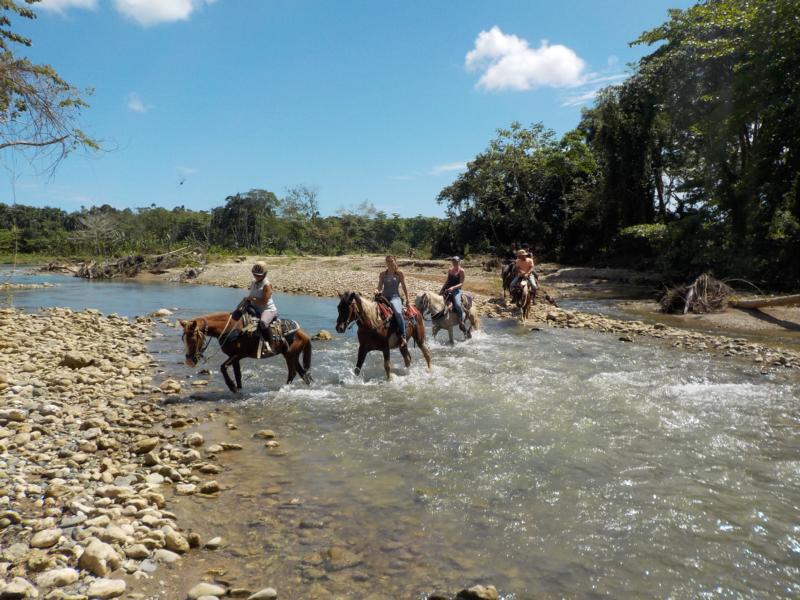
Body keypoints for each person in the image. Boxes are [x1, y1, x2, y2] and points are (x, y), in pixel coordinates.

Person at [376, 254, 410, 347]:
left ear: (395, 261)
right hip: (384, 297)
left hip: (395, 297)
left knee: (398, 312)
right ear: (386, 263)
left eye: (391, 261)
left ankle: (403, 336)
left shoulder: (399, 273)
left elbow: (404, 286)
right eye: (388, 261)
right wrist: (376, 290)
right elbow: (379, 287)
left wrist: (408, 299)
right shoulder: (383, 274)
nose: (390, 263)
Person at [243, 261, 278, 353]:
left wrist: (252, 298)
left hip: (267, 309)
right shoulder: (253, 283)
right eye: (255, 275)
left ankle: (271, 345)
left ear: (265, 274)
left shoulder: (267, 285)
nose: (256, 277)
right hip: (255, 308)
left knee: (263, 323)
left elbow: (264, 301)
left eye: (259, 275)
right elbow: (251, 296)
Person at [440, 256, 465, 328]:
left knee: (457, 304)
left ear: (459, 262)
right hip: (448, 289)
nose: (455, 263)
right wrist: (442, 289)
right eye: (453, 262)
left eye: (456, 262)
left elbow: (461, 283)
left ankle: (461, 320)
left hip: (456, 290)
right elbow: (448, 280)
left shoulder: (461, 271)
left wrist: (453, 288)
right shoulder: (450, 270)